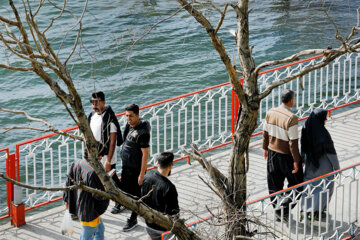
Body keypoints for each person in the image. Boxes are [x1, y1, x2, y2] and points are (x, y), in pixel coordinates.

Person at [262, 89, 303, 221]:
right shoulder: (292, 118)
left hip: (272, 153)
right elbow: (293, 142)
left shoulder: (270, 112)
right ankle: (283, 209)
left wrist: (266, 149)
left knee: (274, 184)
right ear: (291, 100)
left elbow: (265, 133)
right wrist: (296, 161)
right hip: (286, 156)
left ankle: (278, 210)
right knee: (298, 185)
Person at [300, 108, 340, 221]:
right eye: (325, 118)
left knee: (308, 187)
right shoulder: (324, 133)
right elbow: (331, 153)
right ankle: (318, 212)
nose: (326, 120)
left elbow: (302, 146)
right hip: (324, 167)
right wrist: (337, 168)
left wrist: (302, 159)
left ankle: (305, 210)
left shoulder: (305, 129)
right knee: (325, 188)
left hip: (310, 165)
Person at [88, 91, 124, 214]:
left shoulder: (110, 118)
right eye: (92, 102)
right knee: (96, 178)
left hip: (107, 155)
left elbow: (113, 142)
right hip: (95, 154)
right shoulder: (92, 115)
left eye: (96, 102)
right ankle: (98, 200)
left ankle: (120, 202)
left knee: (113, 180)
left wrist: (108, 160)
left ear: (103, 102)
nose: (94, 105)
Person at [119, 103, 151, 231]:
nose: (128, 118)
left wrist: (142, 174)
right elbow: (124, 140)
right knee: (126, 191)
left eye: (131, 116)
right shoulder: (129, 125)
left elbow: (145, 154)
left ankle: (133, 219)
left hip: (136, 169)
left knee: (136, 195)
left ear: (138, 115)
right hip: (126, 166)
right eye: (126, 116)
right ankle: (139, 206)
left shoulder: (142, 132)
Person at [63, 157, 110, 240]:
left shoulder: (77, 162)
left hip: (81, 205)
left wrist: (66, 199)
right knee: (87, 236)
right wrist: (107, 185)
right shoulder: (92, 173)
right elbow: (99, 196)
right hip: (90, 211)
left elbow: (68, 182)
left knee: (100, 230)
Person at [141, 152, 180, 240]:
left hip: (149, 222)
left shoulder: (147, 177)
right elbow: (173, 214)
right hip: (163, 228)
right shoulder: (169, 187)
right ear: (171, 166)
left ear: (157, 163)